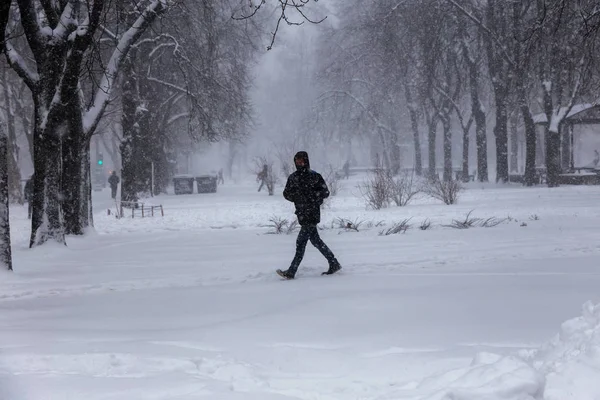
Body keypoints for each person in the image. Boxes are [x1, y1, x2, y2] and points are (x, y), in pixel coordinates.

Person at [277, 151, 342, 279]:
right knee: (316, 241)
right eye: (297, 161)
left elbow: (325, 192)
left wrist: (312, 197)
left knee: (300, 243)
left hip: (312, 214)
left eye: (301, 160)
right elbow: (286, 194)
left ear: (306, 160)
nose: (299, 163)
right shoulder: (293, 177)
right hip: (301, 214)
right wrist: (297, 197)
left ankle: (291, 271)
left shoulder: (315, 176)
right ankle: (333, 263)